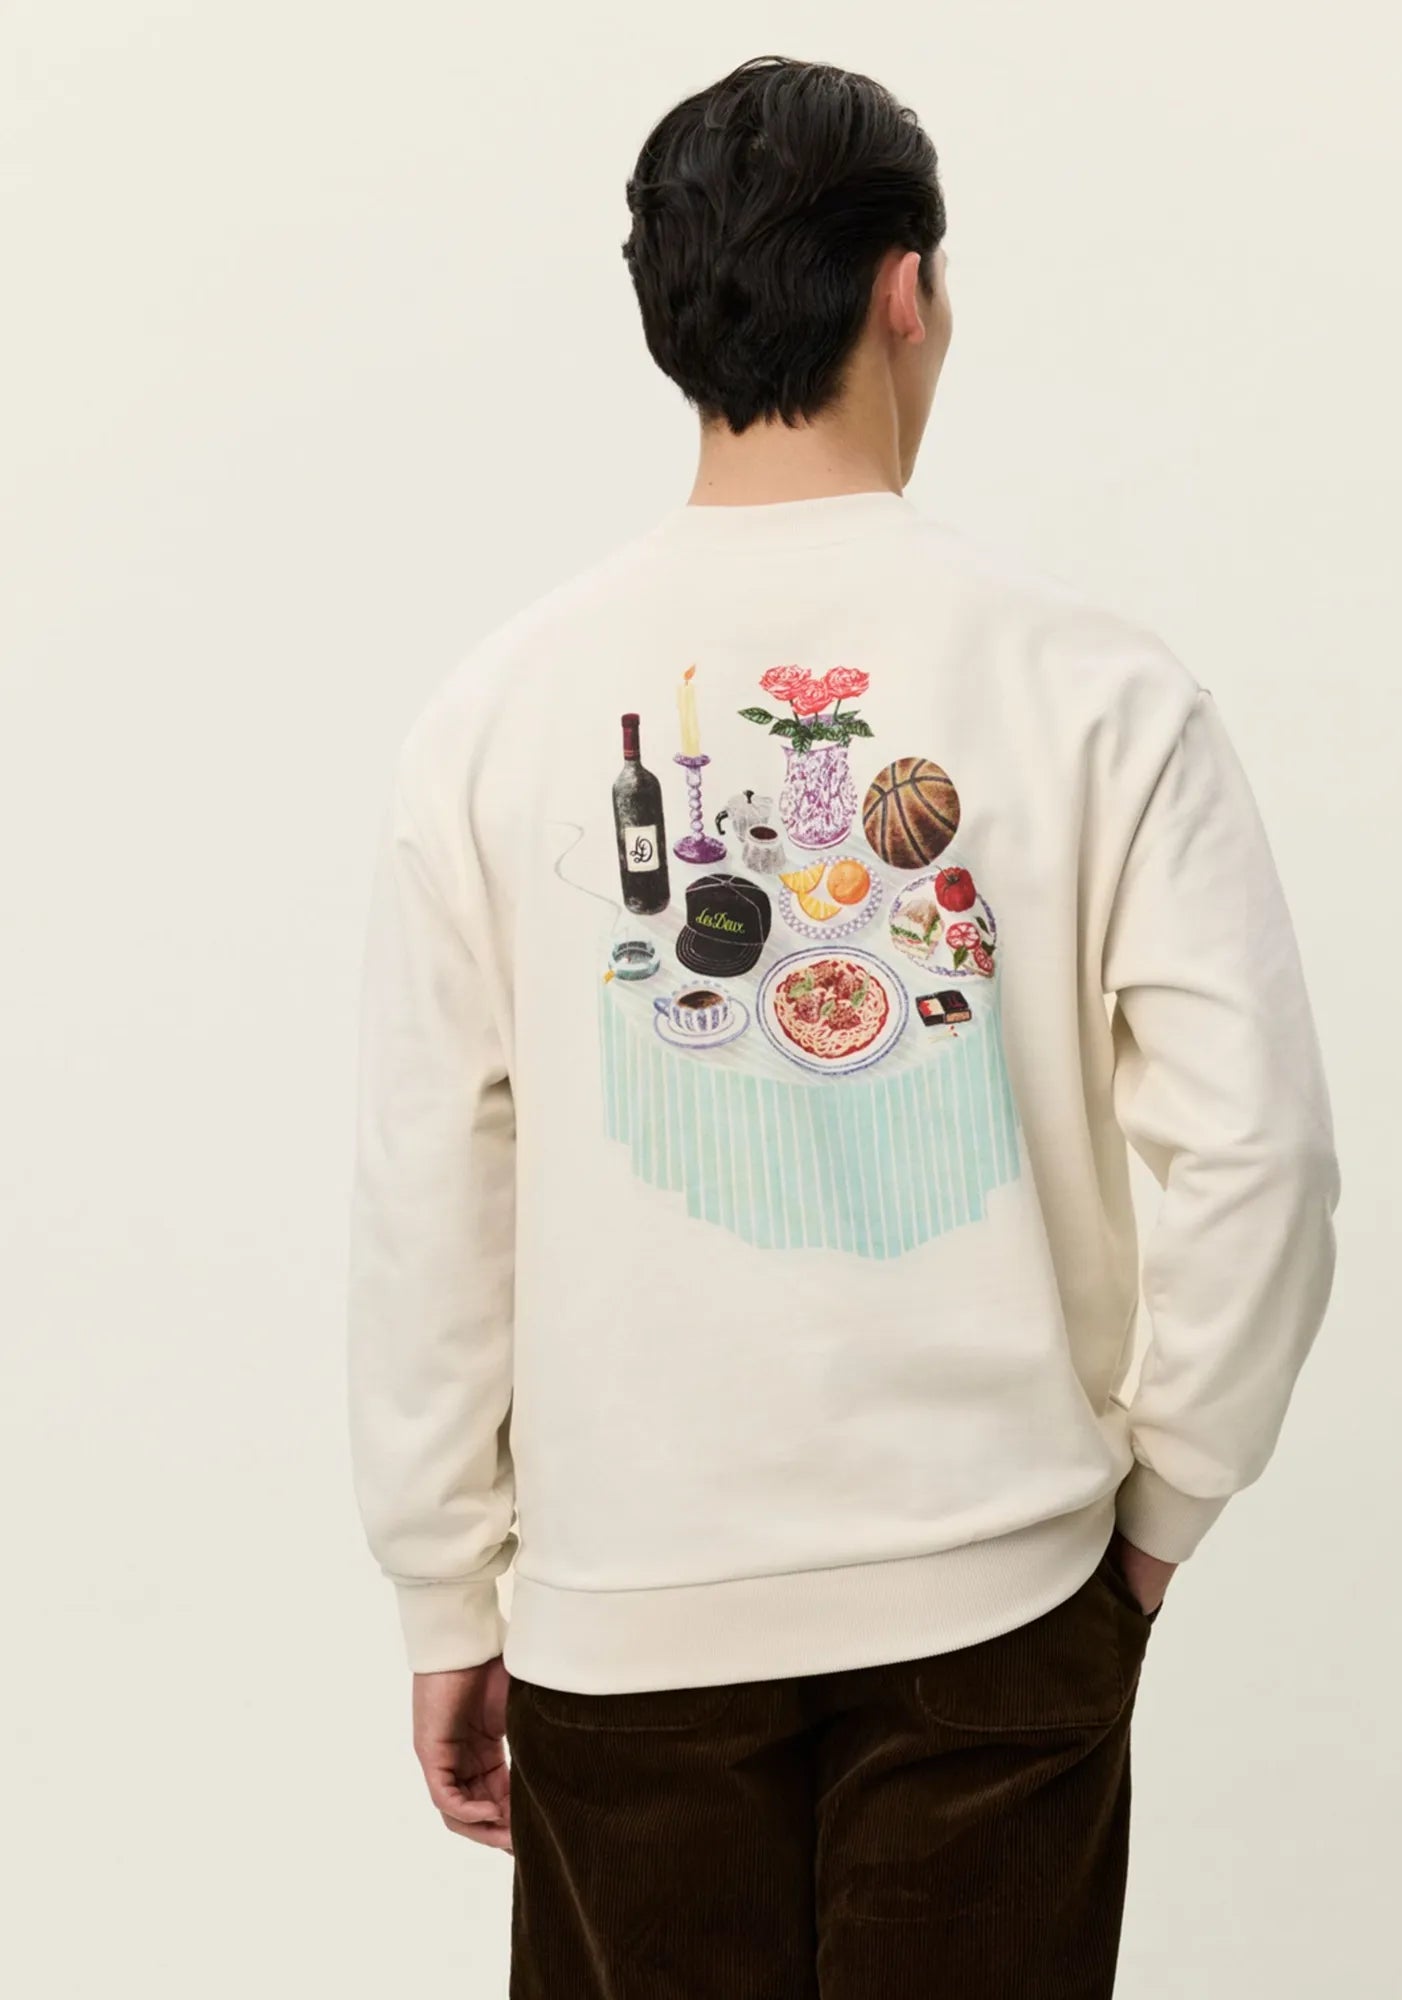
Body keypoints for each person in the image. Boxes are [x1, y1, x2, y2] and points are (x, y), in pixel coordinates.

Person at [348, 54, 1339, 1999]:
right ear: (907, 289)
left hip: (626, 1609)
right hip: (998, 1588)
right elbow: (1258, 1151)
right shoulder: (1093, 687)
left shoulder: (492, 713)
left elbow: (429, 1187)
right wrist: (1164, 1501)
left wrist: (442, 1582)